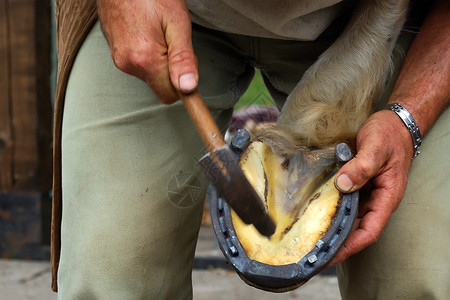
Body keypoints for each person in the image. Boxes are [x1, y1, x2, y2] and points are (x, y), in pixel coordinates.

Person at [51, 0, 449, 298]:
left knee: (419, 275)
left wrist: (406, 118)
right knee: (108, 271)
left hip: (375, 16)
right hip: (171, 11)